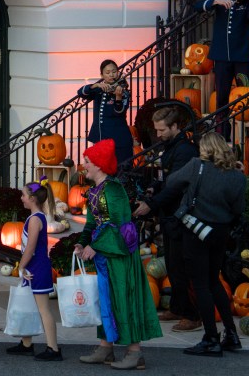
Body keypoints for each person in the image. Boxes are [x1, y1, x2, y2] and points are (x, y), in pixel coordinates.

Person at [74, 139, 161, 370]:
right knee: (106, 301)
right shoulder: (95, 191)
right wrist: (81, 244)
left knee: (125, 299)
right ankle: (106, 348)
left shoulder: (113, 190)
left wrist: (97, 246)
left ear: (99, 165)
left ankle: (135, 353)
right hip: (105, 257)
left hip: (120, 257)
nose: (84, 166)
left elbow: (120, 224)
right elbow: (91, 224)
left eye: (87, 162)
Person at [158, 132, 246, 357]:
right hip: (220, 232)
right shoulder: (237, 175)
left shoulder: (197, 165)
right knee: (213, 281)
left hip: (196, 231)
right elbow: (238, 209)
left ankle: (211, 338)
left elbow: (172, 181)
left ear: (205, 149)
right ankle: (231, 334)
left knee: (201, 285)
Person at [133, 102, 200, 332]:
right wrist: (152, 189)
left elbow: (176, 186)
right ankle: (178, 307)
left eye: (161, 130)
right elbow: (163, 178)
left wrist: (150, 205)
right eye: (156, 130)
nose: (158, 134)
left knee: (183, 265)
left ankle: (192, 314)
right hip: (168, 215)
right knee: (172, 264)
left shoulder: (186, 151)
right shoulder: (169, 147)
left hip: (181, 214)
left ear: (174, 126)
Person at [195, 0, 249, 140]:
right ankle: (223, 136)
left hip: (244, 54)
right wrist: (215, 2)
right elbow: (198, 5)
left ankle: (245, 138)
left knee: (245, 94)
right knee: (222, 97)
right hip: (222, 55)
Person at [7, 181, 61, 360]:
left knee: (43, 309)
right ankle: (26, 343)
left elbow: (30, 248)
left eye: (23, 195)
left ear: (31, 198)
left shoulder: (35, 219)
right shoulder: (37, 217)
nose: (21, 198)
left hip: (36, 268)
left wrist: (20, 267)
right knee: (28, 306)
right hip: (34, 267)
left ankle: (53, 349)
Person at [78, 59, 135, 169]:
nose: (111, 75)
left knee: (120, 169)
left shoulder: (124, 91)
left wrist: (118, 97)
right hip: (100, 135)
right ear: (102, 75)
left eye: (114, 72)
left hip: (118, 137)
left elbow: (119, 112)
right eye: (107, 72)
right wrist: (95, 86)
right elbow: (81, 92)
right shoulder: (99, 89)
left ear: (118, 73)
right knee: (101, 169)